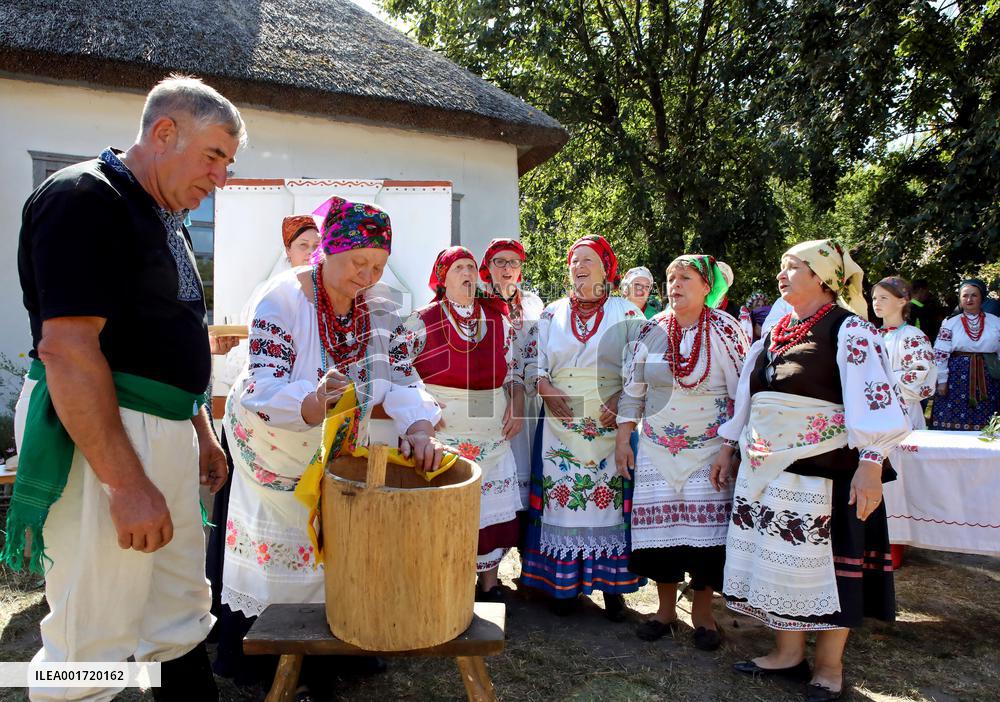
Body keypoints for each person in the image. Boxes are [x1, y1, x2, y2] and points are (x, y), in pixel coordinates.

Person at [8, 75, 244, 702]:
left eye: (229, 162)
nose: (221, 177)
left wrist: (201, 435)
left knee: (179, 611)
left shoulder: (165, 215)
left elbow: (171, 337)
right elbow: (68, 346)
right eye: (214, 155)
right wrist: (125, 481)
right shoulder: (85, 197)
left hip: (164, 429)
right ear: (164, 132)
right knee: (95, 630)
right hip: (107, 430)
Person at [216, 197, 445, 692]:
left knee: (333, 537)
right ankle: (264, 659)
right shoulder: (283, 299)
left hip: (330, 442)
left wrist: (420, 425)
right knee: (276, 546)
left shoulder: (380, 308)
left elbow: (404, 379)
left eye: (378, 266)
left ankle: (333, 650)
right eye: (357, 262)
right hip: (271, 440)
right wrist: (313, 402)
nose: (367, 276)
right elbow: (263, 385)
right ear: (328, 251)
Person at [713, 239, 910, 702]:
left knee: (828, 571)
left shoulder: (850, 331)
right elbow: (750, 396)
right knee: (777, 570)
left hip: (825, 474)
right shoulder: (775, 331)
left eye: (792, 267)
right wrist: (730, 446)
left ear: (822, 277)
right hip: (768, 472)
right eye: (781, 267)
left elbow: (875, 400)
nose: (781, 276)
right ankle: (787, 654)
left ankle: (828, 667)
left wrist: (871, 464)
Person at [617, 255, 747, 651]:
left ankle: (704, 614)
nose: (675, 285)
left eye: (685, 278)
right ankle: (665, 610)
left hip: (709, 452)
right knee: (662, 537)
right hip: (657, 448)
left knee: (705, 540)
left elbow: (742, 395)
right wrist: (624, 437)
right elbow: (633, 388)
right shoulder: (651, 330)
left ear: (708, 286)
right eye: (671, 278)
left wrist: (730, 448)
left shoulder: (726, 331)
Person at [521, 235, 646, 619]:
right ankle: (562, 586)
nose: (579, 266)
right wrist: (543, 385)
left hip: (610, 424)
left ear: (607, 268)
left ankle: (612, 589)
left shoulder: (627, 314)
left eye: (588, 259)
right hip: (560, 421)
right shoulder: (550, 314)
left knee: (609, 500)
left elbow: (642, 367)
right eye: (574, 260)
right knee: (562, 498)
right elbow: (532, 361)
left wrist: (620, 398)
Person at [207, 214, 321, 620]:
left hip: (308, 431)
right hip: (262, 430)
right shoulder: (271, 294)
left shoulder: (334, 298)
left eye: (316, 244)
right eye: (304, 245)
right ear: (288, 251)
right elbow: (250, 365)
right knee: (253, 523)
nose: (312, 252)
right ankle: (250, 620)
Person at [397, 246, 524, 600]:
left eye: (471, 267)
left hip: (492, 436)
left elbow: (513, 369)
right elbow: (397, 369)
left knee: (489, 511)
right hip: (446, 435)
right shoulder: (421, 320)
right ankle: (447, 581)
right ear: (442, 278)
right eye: (458, 269)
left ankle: (489, 584)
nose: (468, 273)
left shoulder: (498, 319)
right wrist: (417, 403)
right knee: (448, 511)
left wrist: (516, 398)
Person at [478, 239, 545, 525]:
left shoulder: (532, 303)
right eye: (500, 262)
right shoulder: (478, 302)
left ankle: (524, 549)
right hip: (493, 395)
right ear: (488, 267)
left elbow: (538, 348)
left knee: (527, 465)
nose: (508, 268)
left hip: (529, 396)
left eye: (514, 262)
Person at [929, 279, 1000, 431]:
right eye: (965, 296)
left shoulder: (996, 322)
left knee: (988, 415)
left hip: (989, 376)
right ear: (960, 299)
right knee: (952, 417)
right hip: (957, 377)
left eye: (974, 295)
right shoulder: (950, 323)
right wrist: (942, 380)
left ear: (982, 298)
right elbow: (940, 353)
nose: (969, 299)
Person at [871, 276, 936, 430]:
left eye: (883, 298)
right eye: (874, 298)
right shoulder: (872, 335)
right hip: (874, 413)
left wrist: (877, 383)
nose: (876, 302)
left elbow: (922, 376)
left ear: (902, 301)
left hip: (903, 412)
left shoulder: (913, 335)